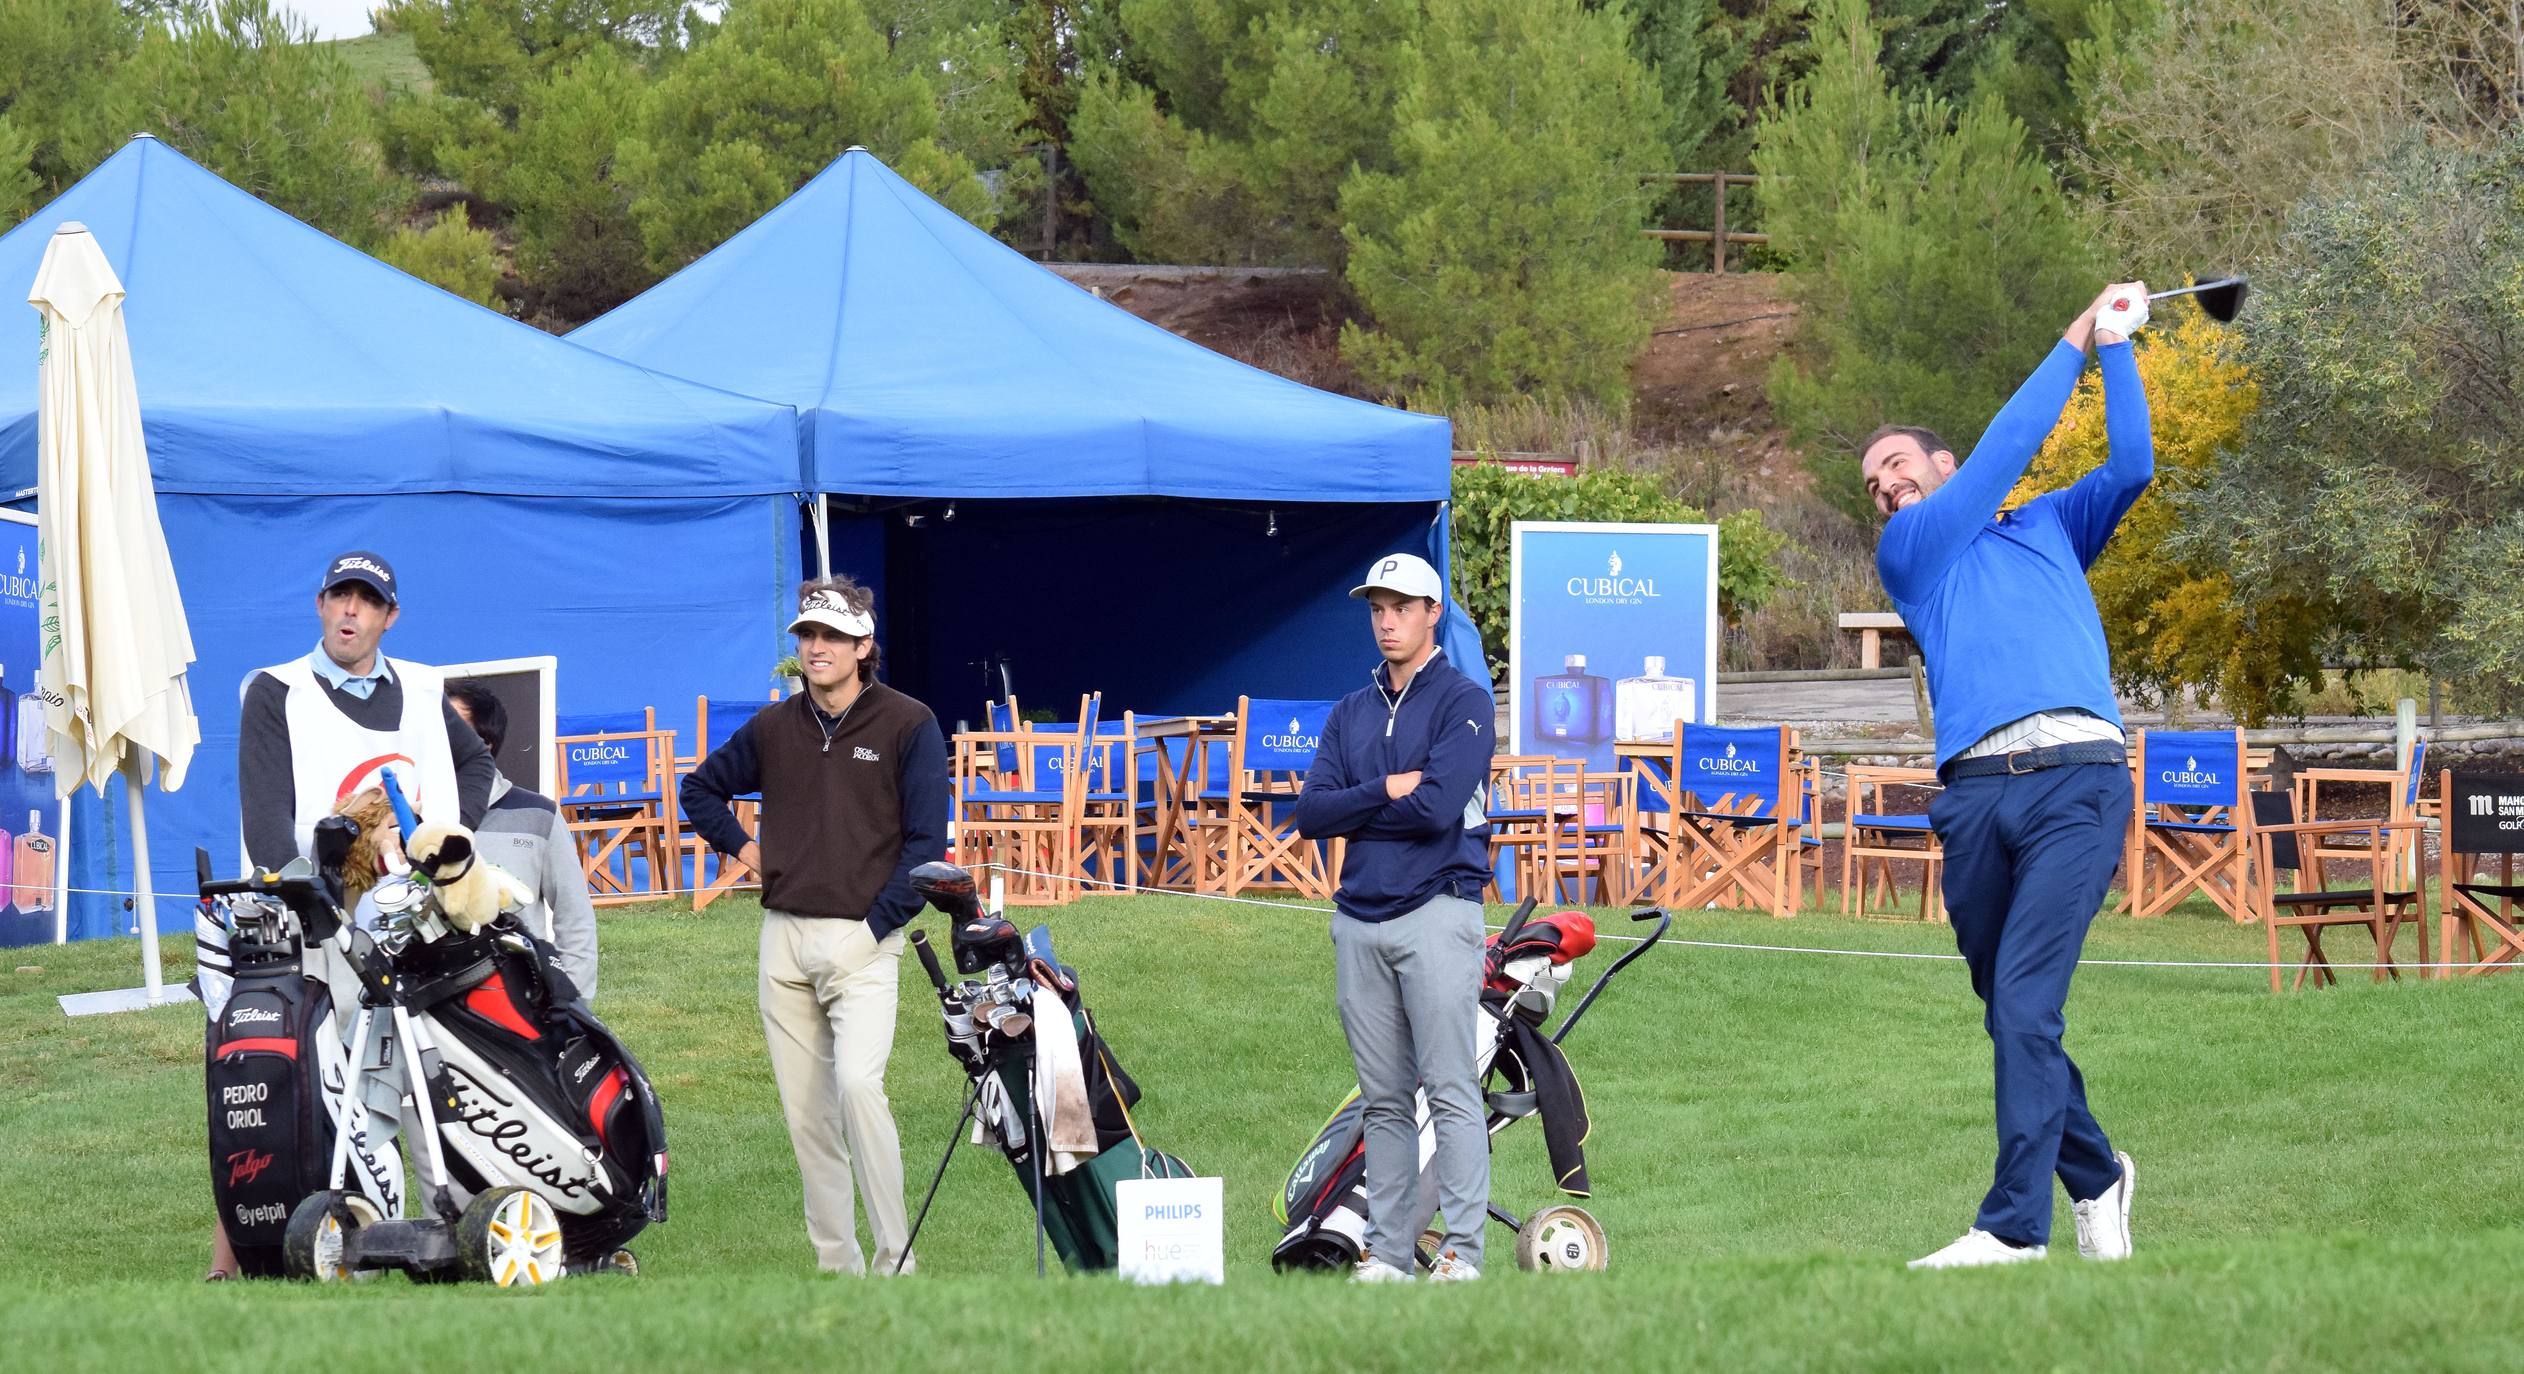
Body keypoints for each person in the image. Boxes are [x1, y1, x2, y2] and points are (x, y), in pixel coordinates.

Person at [1862, 284, 2154, 1270]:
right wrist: (2075, 331)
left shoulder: (2049, 528)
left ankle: (2012, 1229)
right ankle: (2097, 1173)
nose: (1885, 487)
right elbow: (2002, 454)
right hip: (1978, 798)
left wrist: (2111, 346)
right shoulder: (1912, 552)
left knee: (2027, 1008)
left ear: (1936, 464)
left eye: (1896, 466)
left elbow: (2134, 464)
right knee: (2010, 1011)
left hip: (2077, 780)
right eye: (1872, 482)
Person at [208, 549, 500, 1281]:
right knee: (302, 1081)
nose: (350, 612)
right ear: (320, 604)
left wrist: (443, 839)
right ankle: (254, 1251)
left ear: (388, 616)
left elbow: (476, 768)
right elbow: (266, 816)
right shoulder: (278, 691)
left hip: (414, 920)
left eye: (367, 602)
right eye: (340, 596)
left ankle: (446, 1228)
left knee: (426, 1075)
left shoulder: (427, 688)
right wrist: (305, 880)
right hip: (314, 920)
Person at [681, 576, 948, 1275]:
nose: (817, 646)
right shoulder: (774, 725)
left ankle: (897, 1261)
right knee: (809, 1121)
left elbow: (926, 848)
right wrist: (747, 851)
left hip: (866, 940)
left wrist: (872, 928)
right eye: (807, 634)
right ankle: (838, 1268)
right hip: (784, 942)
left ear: (864, 646)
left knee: (860, 1089)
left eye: (832, 635)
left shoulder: (909, 723)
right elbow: (700, 788)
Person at [1292, 552, 1496, 1282]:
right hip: (1358, 920)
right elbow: (1310, 814)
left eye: (1402, 607)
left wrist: (1364, 806)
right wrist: (1386, 788)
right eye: (1378, 607)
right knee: (1383, 1100)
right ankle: (1388, 1253)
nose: (1387, 621)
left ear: (1432, 612)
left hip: (1438, 912)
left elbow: (1440, 808)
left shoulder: (1465, 700)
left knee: (1448, 1090)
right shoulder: (1350, 710)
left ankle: (1463, 1254)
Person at [445, 681, 599, 998]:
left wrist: (574, 1004)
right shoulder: (408, 817)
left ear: (482, 744)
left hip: (522, 1002)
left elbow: (575, 919)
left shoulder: (538, 814)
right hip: (434, 1004)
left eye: (449, 726)